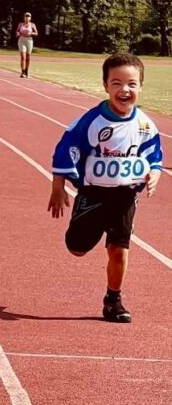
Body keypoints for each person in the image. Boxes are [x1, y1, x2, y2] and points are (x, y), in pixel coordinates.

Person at [48, 52, 163, 323]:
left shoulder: (145, 125)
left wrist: (155, 174)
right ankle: (91, 225)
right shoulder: (91, 122)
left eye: (132, 84)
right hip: (94, 193)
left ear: (141, 86)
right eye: (117, 83)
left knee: (119, 249)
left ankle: (113, 300)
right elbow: (66, 149)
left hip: (125, 195)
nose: (125, 90)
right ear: (106, 86)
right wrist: (58, 187)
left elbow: (154, 157)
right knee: (77, 248)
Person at [15, 11, 38, 77]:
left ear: (30, 18)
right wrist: (18, 33)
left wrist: (31, 33)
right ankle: (22, 72)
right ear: (24, 17)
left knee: (28, 57)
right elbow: (17, 31)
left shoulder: (32, 25)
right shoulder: (20, 24)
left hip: (29, 40)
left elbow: (36, 33)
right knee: (23, 57)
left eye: (28, 17)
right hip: (22, 40)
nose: (27, 18)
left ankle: (26, 71)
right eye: (26, 16)